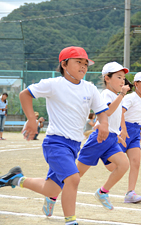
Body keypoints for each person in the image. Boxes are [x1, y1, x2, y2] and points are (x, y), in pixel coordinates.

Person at [0, 46, 109, 225]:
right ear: (64, 64)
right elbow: (25, 94)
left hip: (74, 145)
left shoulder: (90, 88)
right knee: (73, 179)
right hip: (56, 143)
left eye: (85, 64)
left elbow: (102, 111)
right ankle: (71, 221)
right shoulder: (54, 84)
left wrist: (103, 123)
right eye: (78, 62)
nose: (83, 66)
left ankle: (16, 179)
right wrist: (31, 120)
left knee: (51, 188)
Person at [42, 61, 131, 216]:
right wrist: (122, 94)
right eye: (118, 77)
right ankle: (52, 196)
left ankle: (102, 192)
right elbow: (107, 112)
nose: (122, 81)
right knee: (75, 175)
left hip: (110, 139)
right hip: (98, 140)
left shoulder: (116, 96)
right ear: (107, 78)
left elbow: (112, 120)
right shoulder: (105, 94)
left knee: (124, 164)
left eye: (123, 78)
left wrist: (117, 135)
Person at [105, 72, 141, 204]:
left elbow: (137, 119)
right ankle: (102, 154)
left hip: (135, 133)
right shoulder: (130, 97)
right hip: (123, 131)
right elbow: (120, 112)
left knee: (136, 162)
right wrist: (124, 130)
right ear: (136, 84)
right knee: (112, 166)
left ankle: (130, 193)